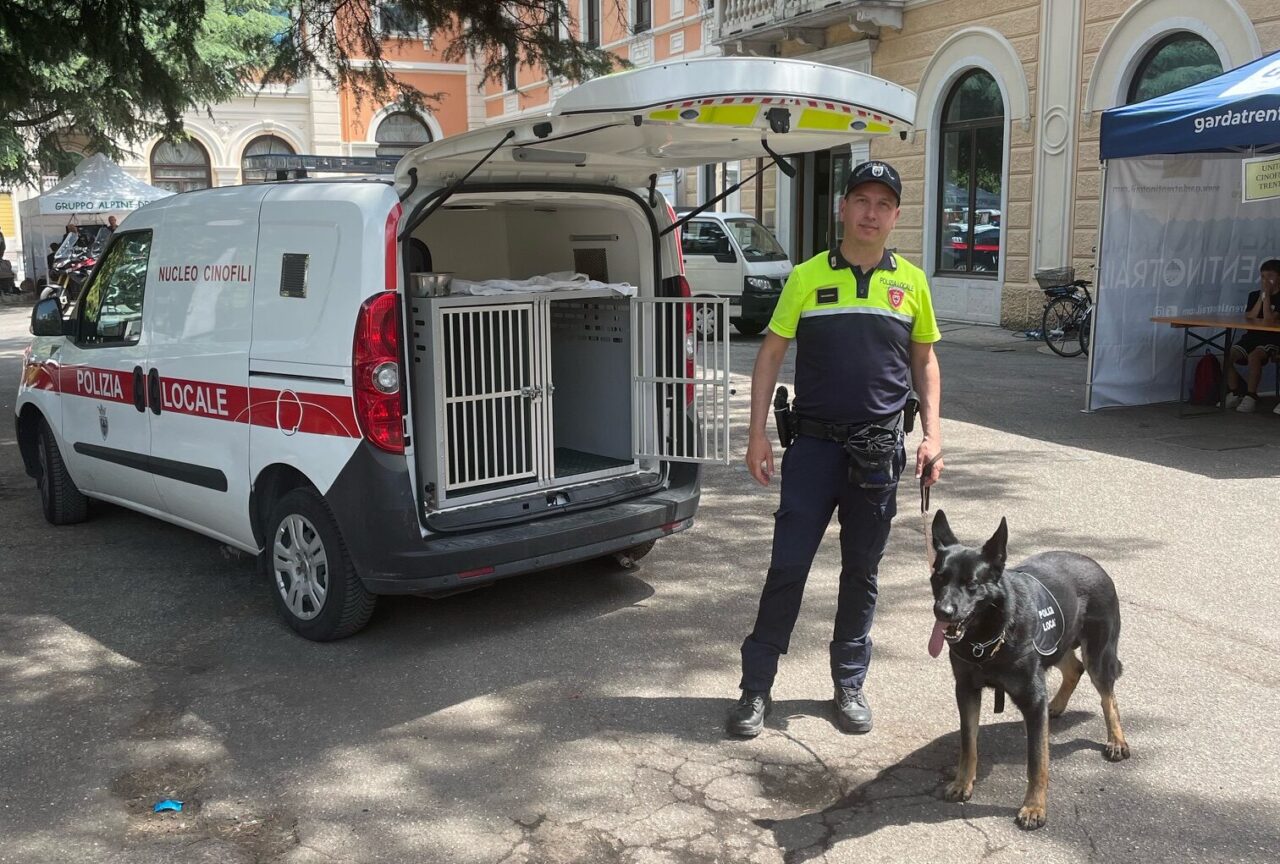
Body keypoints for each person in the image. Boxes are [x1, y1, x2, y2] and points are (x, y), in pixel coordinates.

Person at [727, 160, 944, 738]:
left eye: (883, 204)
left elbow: (924, 361)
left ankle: (849, 684)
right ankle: (755, 689)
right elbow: (771, 354)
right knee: (787, 568)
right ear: (842, 208)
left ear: (895, 215)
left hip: (877, 456)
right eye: (861, 201)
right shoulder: (805, 277)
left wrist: (934, 437)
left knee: (861, 573)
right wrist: (756, 433)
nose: (871, 213)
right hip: (814, 452)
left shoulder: (913, 284)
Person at [1223, 259, 1280, 414]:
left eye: (1270, 276)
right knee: (1227, 356)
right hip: (1252, 336)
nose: (1266, 280)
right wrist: (1262, 297)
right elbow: (1250, 316)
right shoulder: (1254, 295)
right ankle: (1234, 392)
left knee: (1254, 356)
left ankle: (1251, 395)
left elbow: (1269, 320)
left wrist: (1267, 297)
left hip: (1272, 338)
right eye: (1262, 276)